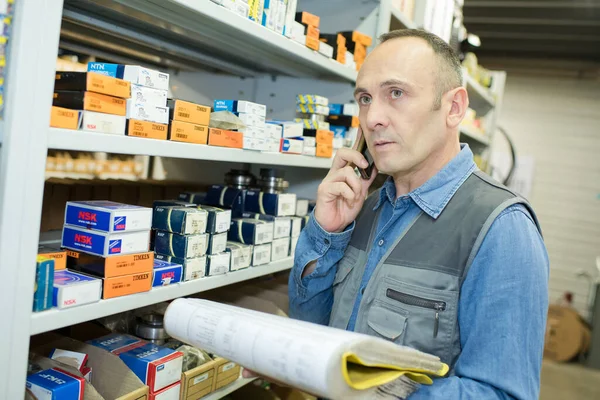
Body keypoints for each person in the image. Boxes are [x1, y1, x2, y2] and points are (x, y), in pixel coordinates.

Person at [287, 29, 549, 399]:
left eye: (396, 93)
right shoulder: (362, 207)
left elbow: (502, 394)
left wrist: (373, 392)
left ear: (454, 107)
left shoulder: (502, 230)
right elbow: (308, 328)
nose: (373, 117)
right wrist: (326, 233)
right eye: (364, 98)